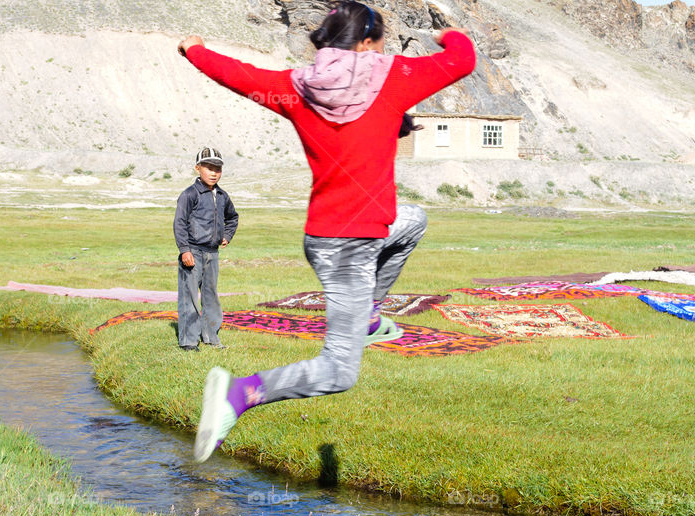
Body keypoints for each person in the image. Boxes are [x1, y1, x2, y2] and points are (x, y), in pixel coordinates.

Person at [177, 2, 476, 461]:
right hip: (350, 250)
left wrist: (194, 50)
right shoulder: (393, 75)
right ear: (367, 42)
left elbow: (238, 75)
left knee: (412, 220)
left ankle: (371, 317)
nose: (382, 50)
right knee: (339, 372)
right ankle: (238, 394)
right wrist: (449, 35)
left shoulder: (295, 88)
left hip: (329, 235)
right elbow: (463, 60)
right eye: (381, 42)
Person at [174, 147, 239, 351]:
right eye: (209, 168)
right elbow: (180, 223)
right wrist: (185, 250)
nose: (214, 173)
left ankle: (211, 336)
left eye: (218, 169)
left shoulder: (222, 195)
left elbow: (233, 217)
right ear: (197, 168)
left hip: (213, 253)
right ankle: (189, 341)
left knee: (210, 296)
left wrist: (226, 235)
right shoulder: (190, 194)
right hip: (193, 251)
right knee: (190, 297)